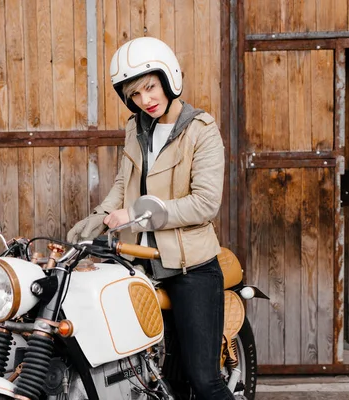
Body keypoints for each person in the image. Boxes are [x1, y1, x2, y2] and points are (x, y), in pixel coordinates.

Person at [67, 37, 231, 400]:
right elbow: (123, 187)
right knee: (157, 379)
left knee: (203, 380)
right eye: (135, 94)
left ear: (169, 78)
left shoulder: (201, 130)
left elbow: (205, 203)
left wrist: (137, 218)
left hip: (191, 269)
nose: (146, 100)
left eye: (150, 88)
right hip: (139, 266)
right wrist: (91, 223)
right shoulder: (135, 128)